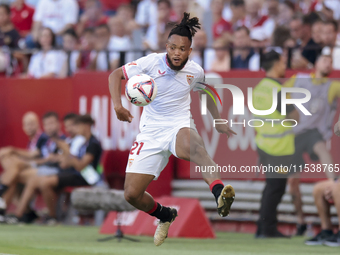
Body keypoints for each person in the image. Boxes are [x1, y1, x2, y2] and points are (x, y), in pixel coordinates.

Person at [109, 12, 236, 246]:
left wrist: (218, 120)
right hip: (150, 131)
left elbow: (206, 94)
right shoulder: (150, 62)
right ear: (167, 46)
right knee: (131, 194)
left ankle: (220, 194)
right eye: (174, 47)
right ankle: (165, 215)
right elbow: (115, 75)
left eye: (183, 49)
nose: (177, 52)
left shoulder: (195, 71)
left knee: (196, 148)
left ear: (190, 50)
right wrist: (118, 105)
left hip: (178, 124)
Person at [285, 48, 340, 236]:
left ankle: (334, 184)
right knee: (292, 180)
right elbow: (280, 95)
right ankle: (300, 221)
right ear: (315, 64)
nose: (328, 63)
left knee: (322, 151)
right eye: (325, 59)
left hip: (316, 133)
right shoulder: (299, 79)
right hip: (296, 133)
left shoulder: (332, 86)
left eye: (330, 60)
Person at [10, 114, 102, 224]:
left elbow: (81, 166)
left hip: (85, 176)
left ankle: (51, 216)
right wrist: (65, 158)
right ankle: (47, 215)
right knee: (41, 181)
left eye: (78, 126)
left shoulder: (93, 143)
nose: (75, 129)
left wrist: (67, 153)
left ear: (87, 126)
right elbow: (68, 162)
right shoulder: (81, 142)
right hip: (73, 173)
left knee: (45, 183)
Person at [253, 50, 299, 238]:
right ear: (276, 64)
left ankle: (261, 228)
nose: (285, 66)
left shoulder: (260, 88)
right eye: (282, 62)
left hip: (264, 143)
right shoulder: (278, 91)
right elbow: (294, 116)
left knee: (270, 188)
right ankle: (268, 229)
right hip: (278, 148)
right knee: (276, 189)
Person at [0, 112, 65, 222]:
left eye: (52, 123)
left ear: (59, 124)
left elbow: (59, 160)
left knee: (15, 171)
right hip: (41, 167)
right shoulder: (45, 140)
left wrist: (12, 151)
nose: (49, 127)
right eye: (47, 124)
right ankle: (16, 210)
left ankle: (17, 212)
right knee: (11, 169)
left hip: (51, 171)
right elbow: (35, 155)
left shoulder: (62, 140)